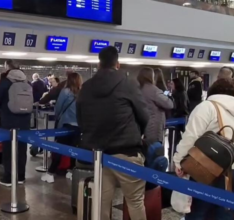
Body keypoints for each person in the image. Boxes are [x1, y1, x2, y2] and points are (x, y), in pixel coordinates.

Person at [77, 46, 149, 220]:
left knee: (101, 202)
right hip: (127, 151)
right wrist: (139, 132)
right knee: (135, 201)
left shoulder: (86, 87)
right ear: (118, 63)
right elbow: (144, 115)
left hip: (99, 154)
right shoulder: (128, 83)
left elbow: (81, 118)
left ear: (99, 63)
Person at [174, 78, 234, 220]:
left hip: (212, 169)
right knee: (226, 212)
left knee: (199, 212)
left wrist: (179, 161)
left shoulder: (207, 107)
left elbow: (191, 137)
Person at [0, 68, 31, 187]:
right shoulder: (27, 82)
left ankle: (9, 178)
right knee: (22, 149)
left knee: (8, 149)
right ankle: (21, 176)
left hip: (9, 121)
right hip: (25, 122)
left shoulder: (5, 83)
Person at [41, 72, 82, 183]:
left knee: (59, 149)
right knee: (73, 150)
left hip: (66, 124)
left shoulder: (65, 91)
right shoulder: (81, 93)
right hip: (78, 126)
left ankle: (50, 173)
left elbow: (58, 108)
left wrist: (57, 117)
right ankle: (71, 171)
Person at [137, 67, 173, 145]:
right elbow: (169, 104)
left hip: (143, 125)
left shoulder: (139, 88)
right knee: (155, 151)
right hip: (154, 127)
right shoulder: (154, 90)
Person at [167, 78, 188, 158]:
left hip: (178, 118)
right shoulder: (177, 93)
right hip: (178, 118)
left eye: (172, 84)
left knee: (174, 139)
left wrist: (174, 115)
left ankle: (173, 154)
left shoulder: (180, 94)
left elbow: (182, 107)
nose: (170, 85)